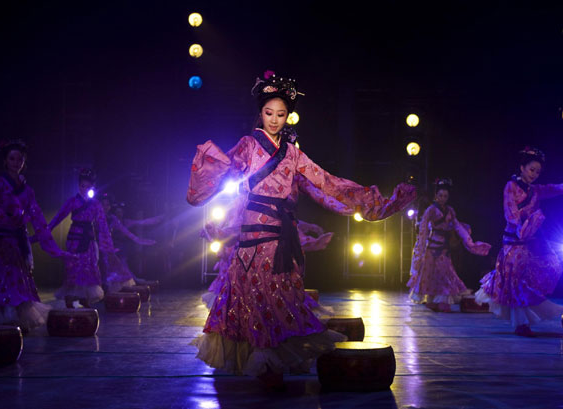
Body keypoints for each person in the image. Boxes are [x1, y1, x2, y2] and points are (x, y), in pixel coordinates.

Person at [186, 71, 416, 387]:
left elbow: (328, 184)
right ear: (260, 113)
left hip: (282, 242)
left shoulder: (294, 154)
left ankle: (273, 366)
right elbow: (226, 175)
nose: (275, 120)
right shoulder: (248, 146)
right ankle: (263, 365)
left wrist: (376, 203)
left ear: (288, 115)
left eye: (281, 114)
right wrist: (212, 182)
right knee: (252, 301)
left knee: (280, 303)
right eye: (269, 113)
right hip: (251, 240)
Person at [0, 140, 71, 331]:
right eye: (12, 158)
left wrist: (48, 242)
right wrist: (5, 217)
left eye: (20, 159)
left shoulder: (28, 190)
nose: (16, 162)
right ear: (5, 161)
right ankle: (1, 318)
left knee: (17, 278)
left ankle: (16, 318)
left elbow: (36, 216)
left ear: (24, 162)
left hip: (17, 239)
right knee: (0, 277)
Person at [476, 147, 563, 337]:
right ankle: (521, 324)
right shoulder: (511, 186)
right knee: (516, 282)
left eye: (538, 172)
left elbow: (553, 188)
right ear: (522, 167)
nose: (534, 174)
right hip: (513, 242)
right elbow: (510, 210)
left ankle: (523, 323)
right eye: (532, 170)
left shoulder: (535, 190)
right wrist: (519, 228)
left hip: (530, 242)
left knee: (550, 266)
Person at [407, 178, 491, 312]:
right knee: (429, 275)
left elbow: (457, 227)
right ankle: (431, 300)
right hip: (431, 248)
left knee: (445, 274)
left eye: (445, 196)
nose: (442, 198)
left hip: (444, 249)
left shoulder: (450, 211)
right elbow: (423, 230)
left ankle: (441, 301)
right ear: (436, 196)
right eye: (440, 195)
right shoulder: (431, 210)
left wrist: (471, 243)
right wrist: (420, 249)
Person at [49, 169, 116, 308]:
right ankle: (69, 296)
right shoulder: (72, 201)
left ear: (93, 188)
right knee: (73, 265)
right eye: (82, 186)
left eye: (88, 187)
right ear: (79, 186)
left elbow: (102, 224)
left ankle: (85, 297)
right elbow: (58, 217)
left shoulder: (96, 204)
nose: (85, 189)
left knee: (88, 266)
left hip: (89, 238)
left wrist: (108, 245)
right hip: (75, 237)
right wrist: (46, 231)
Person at [99, 195, 155, 292]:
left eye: (107, 205)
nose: (105, 207)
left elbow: (126, 232)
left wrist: (139, 240)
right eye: (103, 205)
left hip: (109, 248)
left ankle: (108, 295)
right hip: (95, 247)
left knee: (114, 271)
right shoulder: (95, 217)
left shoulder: (112, 219)